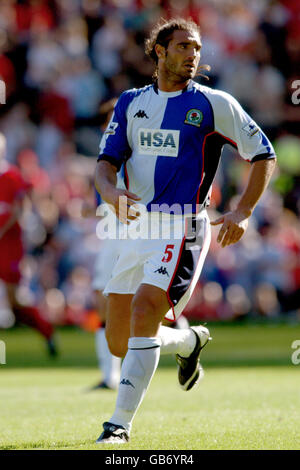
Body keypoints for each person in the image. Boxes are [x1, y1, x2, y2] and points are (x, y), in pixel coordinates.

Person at [94, 18, 276, 444]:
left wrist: (243, 211)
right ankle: (188, 341)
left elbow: (262, 153)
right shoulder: (130, 102)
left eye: (196, 48)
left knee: (144, 311)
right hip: (137, 227)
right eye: (181, 47)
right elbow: (106, 161)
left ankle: (117, 426)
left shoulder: (214, 103)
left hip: (184, 224)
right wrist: (107, 191)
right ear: (158, 51)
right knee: (120, 343)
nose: (192, 55)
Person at [0, 133, 57, 356]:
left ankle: (47, 331)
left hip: (10, 245)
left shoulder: (12, 176)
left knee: (16, 300)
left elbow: (20, 209)